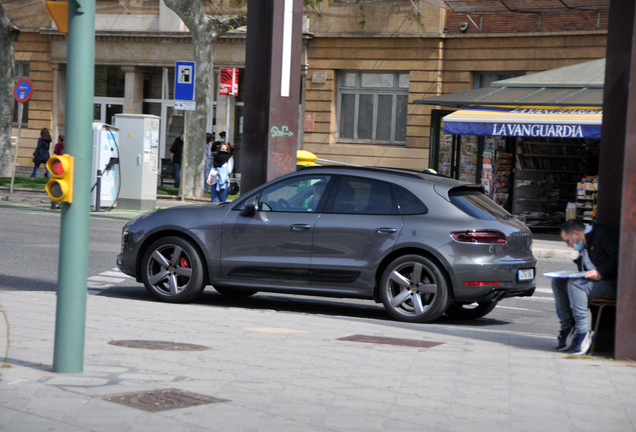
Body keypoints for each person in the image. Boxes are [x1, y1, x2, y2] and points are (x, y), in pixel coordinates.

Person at [552, 219, 619, 356]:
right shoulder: (583, 246)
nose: (569, 246)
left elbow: (619, 257)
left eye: (568, 241)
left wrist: (601, 272)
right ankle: (567, 328)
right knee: (557, 282)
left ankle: (582, 333)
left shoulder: (601, 234)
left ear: (576, 233)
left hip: (613, 285)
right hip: (594, 284)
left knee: (576, 285)